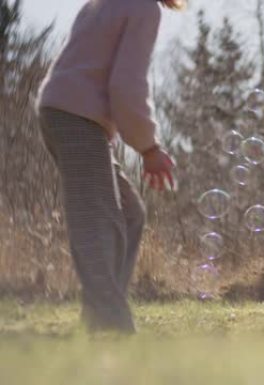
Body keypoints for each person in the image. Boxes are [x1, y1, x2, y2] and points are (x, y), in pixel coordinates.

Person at [35, 0, 186, 333]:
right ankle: (111, 325)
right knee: (98, 222)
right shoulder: (144, 7)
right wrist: (149, 148)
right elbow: (126, 86)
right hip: (77, 117)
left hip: (61, 111)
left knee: (130, 213)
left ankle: (99, 316)